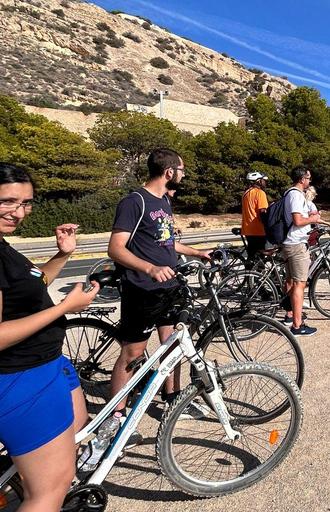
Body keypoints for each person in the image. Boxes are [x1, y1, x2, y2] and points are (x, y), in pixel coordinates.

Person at [0, 163, 100, 511]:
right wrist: (65, 308)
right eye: (8, 201)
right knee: (49, 491)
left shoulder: (2, 246)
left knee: (69, 447)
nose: (19, 212)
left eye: (26, 203)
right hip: (20, 377)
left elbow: (28, 285)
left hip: (45, 365)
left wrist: (63, 254)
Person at [107, 148, 212, 432]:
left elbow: (165, 243)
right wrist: (149, 268)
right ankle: (115, 416)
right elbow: (115, 248)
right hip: (142, 290)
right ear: (169, 172)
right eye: (182, 170)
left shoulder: (164, 201)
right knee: (132, 353)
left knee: (174, 345)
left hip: (169, 288)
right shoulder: (135, 202)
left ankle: (173, 398)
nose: (184, 175)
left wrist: (196, 252)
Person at [280, 166, 320, 336]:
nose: (310, 181)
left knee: (291, 280)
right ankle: (297, 325)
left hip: (289, 242)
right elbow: (297, 221)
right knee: (300, 284)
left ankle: (291, 315)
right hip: (296, 244)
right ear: (303, 179)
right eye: (309, 178)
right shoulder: (296, 195)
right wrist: (313, 218)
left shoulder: (289, 193)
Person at [241, 171, 269, 260]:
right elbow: (263, 212)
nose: (265, 182)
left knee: (251, 256)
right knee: (260, 258)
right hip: (258, 229)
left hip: (248, 229)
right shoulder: (260, 193)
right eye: (263, 180)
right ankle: (259, 272)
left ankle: (249, 272)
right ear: (258, 181)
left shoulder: (246, 193)